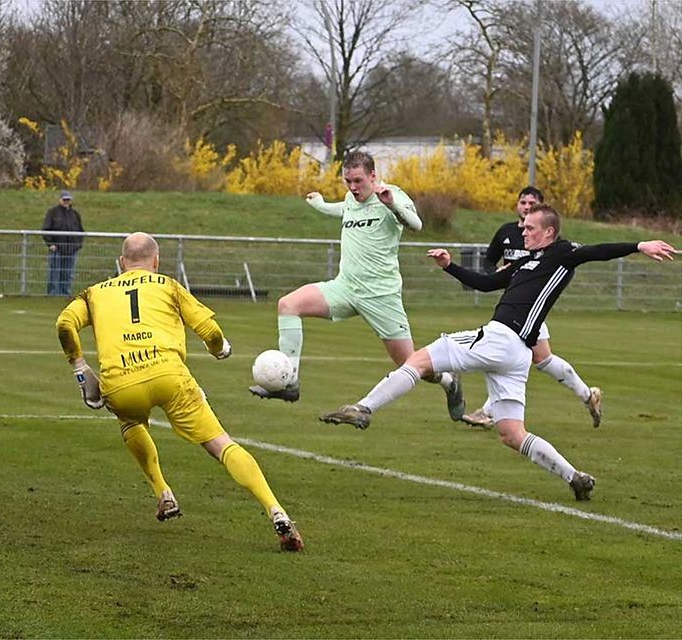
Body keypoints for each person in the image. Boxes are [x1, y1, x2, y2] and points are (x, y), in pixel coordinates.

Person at [319, 204, 676, 501]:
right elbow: (487, 283)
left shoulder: (563, 253)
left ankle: (364, 409)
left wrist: (638, 244)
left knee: (418, 360)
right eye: (524, 227)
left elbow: (596, 252)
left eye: (531, 228)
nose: (524, 232)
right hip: (515, 355)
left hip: (502, 339)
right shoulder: (526, 262)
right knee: (511, 433)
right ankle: (575, 477)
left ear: (549, 232)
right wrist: (449, 266)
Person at [56, 232, 304, 552]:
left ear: (122, 263)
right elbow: (210, 331)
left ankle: (163, 493)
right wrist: (220, 349)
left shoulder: (95, 293)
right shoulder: (168, 285)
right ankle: (276, 511)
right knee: (220, 445)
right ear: (156, 262)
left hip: (121, 384)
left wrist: (80, 369)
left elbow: (64, 324)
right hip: (170, 377)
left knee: (131, 423)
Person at [249, 149, 465, 424]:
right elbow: (341, 209)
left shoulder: (392, 195)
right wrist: (320, 204)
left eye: (358, 181)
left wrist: (392, 205)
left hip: (381, 296)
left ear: (373, 176)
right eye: (347, 181)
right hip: (345, 289)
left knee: (409, 365)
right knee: (288, 305)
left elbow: (417, 224)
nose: (352, 188)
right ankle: (289, 383)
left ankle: (448, 381)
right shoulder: (352, 200)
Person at [462, 186, 600, 429]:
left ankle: (489, 411)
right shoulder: (506, 232)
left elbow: (583, 254)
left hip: (529, 309)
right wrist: (494, 273)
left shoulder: (547, 243)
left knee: (519, 356)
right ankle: (588, 395)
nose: (526, 207)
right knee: (541, 359)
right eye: (523, 202)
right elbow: (489, 261)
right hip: (512, 306)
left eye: (531, 203)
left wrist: (638, 246)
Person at [43, 190, 84, 296]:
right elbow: (46, 229)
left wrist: (78, 245)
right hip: (57, 249)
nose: (66, 201)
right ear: (60, 200)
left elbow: (80, 230)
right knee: (54, 273)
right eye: (64, 199)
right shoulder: (52, 212)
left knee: (67, 274)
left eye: (68, 199)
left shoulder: (75, 214)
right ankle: (53, 294)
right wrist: (50, 244)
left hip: (71, 249)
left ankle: (65, 294)